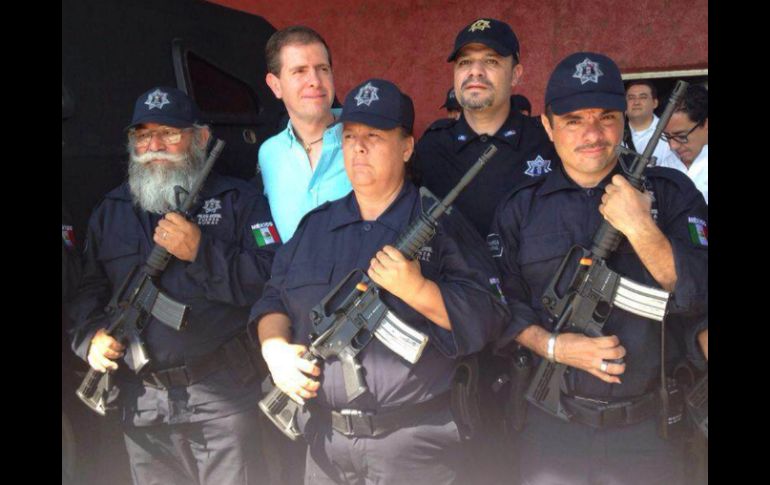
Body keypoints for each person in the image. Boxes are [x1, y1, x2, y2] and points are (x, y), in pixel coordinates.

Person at [249, 78, 509, 485]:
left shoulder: (441, 226)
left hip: (414, 447)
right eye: (350, 137)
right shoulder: (315, 227)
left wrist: (421, 292)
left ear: (406, 147)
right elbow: (272, 300)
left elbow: (490, 317)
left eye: (374, 136)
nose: (359, 148)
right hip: (325, 446)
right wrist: (276, 350)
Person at [489, 52, 708, 484]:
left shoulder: (670, 192)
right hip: (553, 430)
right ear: (548, 127)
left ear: (624, 119)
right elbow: (498, 302)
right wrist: (553, 346)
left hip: (651, 429)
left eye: (606, 117)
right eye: (573, 120)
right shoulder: (521, 208)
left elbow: (702, 289)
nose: (592, 133)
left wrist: (642, 228)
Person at [68, 86, 278, 485]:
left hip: (223, 401)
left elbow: (273, 282)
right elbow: (86, 290)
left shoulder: (239, 201)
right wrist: (89, 339)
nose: (155, 146)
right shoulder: (110, 212)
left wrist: (201, 251)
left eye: (169, 133)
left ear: (199, 138)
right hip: (143, 405)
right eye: (143, 135)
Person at [413, 17, 558, 238]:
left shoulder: (546, 141)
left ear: (516, 74)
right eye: (464, 62)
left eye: (491, 61)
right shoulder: (431, 147)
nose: (475, 71)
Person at [259, 26, 352, 241]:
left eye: (323, 69)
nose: (315, 81)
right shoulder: (269, 153)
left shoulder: (366, 138)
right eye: (299, 71)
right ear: (275, 86)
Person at [658, 84, 708, 204]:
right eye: (667, 137)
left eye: (681, 136)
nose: (672, 146)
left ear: (706, 124)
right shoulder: (666, 165)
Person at [624, 80, 678, 163]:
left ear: (655, 103)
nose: (636, 102)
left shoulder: (670, 131)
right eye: (631, 98)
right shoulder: (615, 133)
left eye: (643, 97)